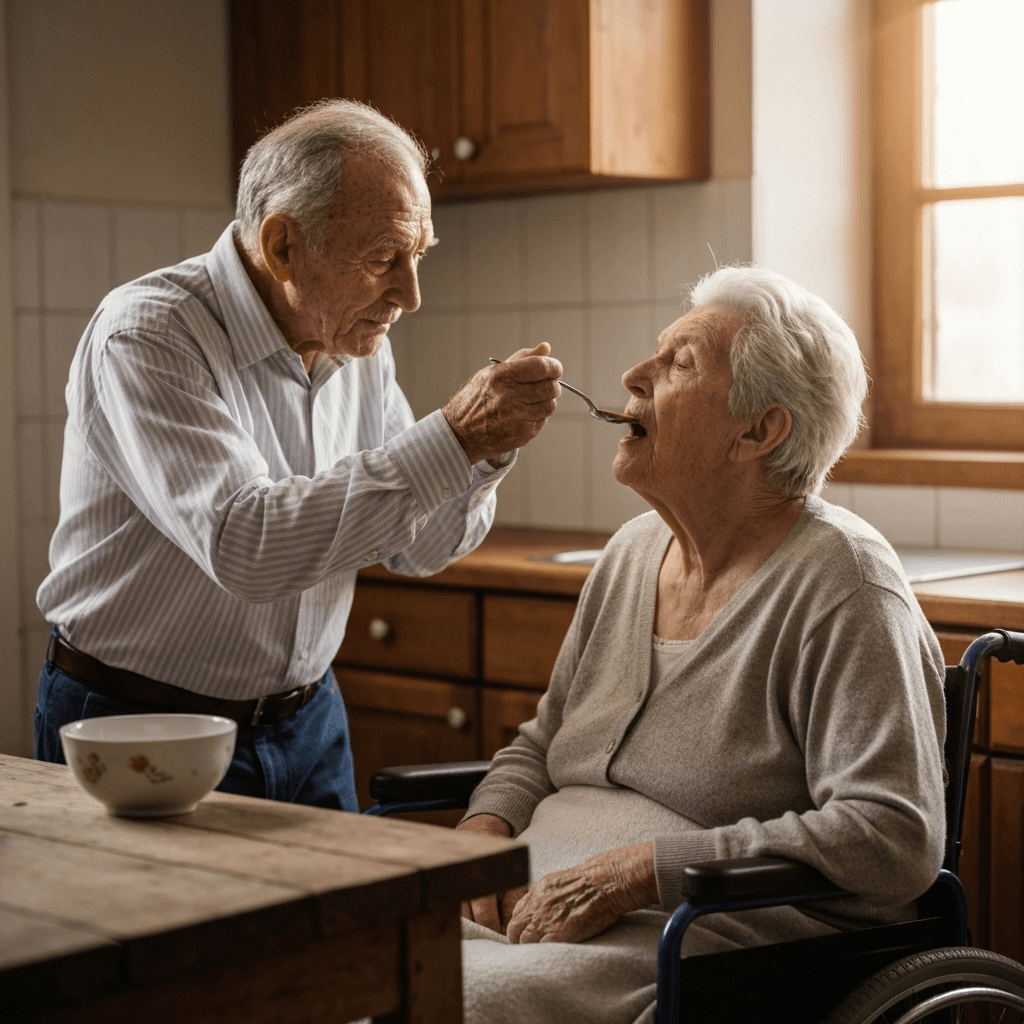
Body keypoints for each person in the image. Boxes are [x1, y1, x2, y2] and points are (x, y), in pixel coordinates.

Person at [33, 98, 562, 811]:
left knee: (336, 928)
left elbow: (421, 547)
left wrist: (486, 452)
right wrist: (456, 436)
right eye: (385, 259)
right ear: (282, 246)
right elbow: (245, 546)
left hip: (308, 722)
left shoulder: (356, 342)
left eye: (419, 257)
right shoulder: (150, 332)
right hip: (140, 721)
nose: (410, 294)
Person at [453, 266, 947, 1024]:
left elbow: (893, 834)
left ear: (758, 431)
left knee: (457, 1001)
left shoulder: (844, 584)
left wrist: (641, 873)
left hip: (703, 937)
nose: (633, 376)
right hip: (532, 909)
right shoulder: (630, 553)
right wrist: (480, 835)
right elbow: (541, 744)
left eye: (678, 363)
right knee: (339, 964)